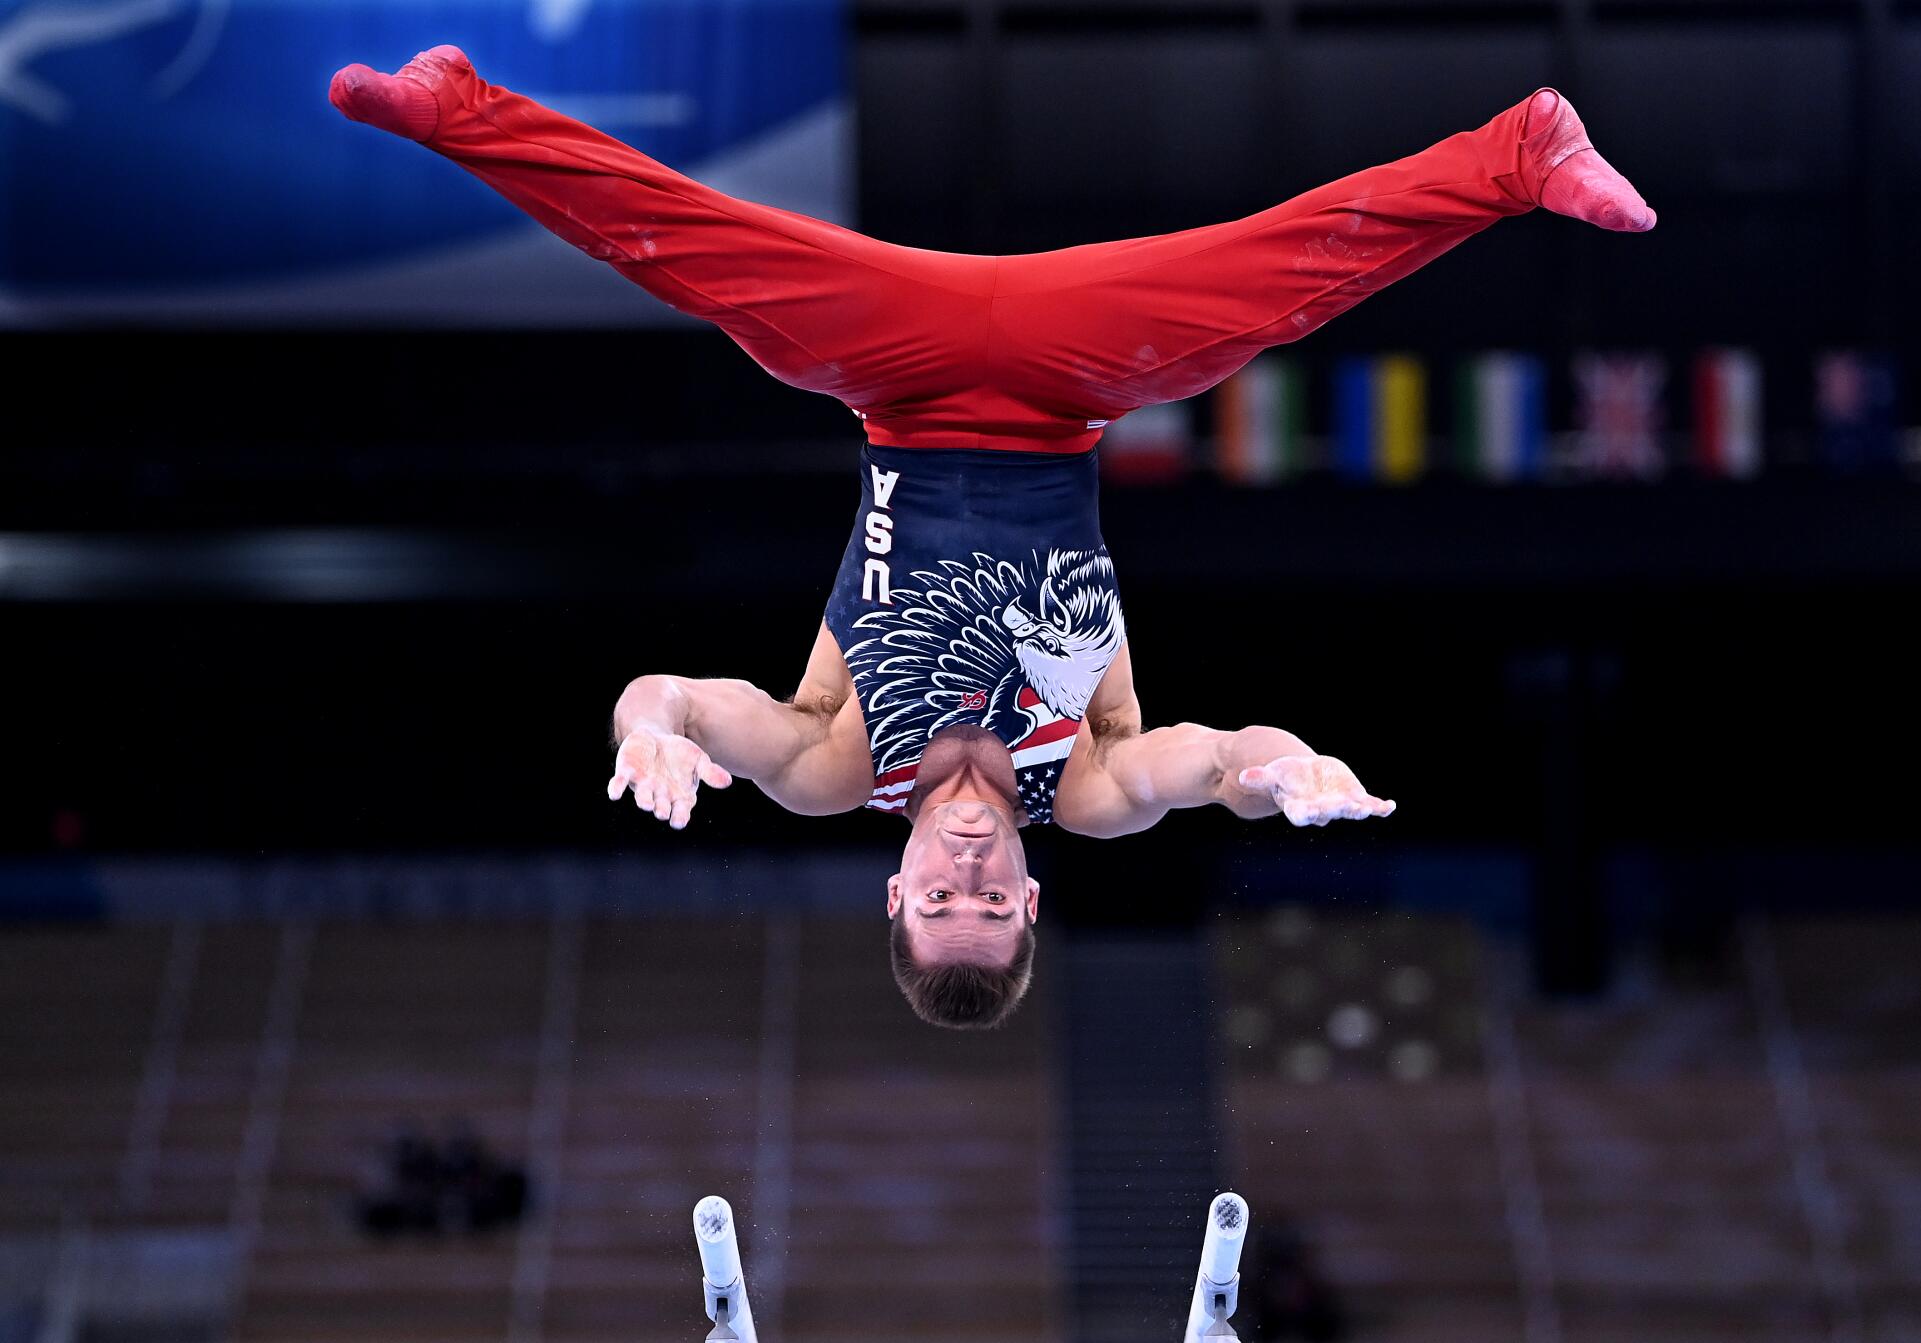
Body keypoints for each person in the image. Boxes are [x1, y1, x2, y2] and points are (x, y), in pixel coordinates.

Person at [330, 48, 1652, 1028]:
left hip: (893, 379)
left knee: (698, 251)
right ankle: (1523, 149)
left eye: (939, 900)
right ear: (1027, 902)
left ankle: (457, 109)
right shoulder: (1084, 786)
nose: (964, 873)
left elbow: (670, 693)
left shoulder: (836, 764)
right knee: (1272, 288)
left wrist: (651, 735)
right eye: (986, 902)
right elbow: (1213, 763)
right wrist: (1289, 770)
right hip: (1075, 385)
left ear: (896, 896)